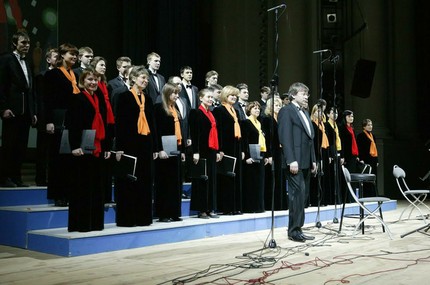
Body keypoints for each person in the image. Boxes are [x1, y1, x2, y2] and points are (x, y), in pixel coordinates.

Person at [66, 68, 112, 232]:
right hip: (82, 147)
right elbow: (72, 125)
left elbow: (105, 124)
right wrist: (75, 146)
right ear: (82, 81)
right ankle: (81, 224)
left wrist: (106, 147)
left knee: (96, 186)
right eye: (89, 80)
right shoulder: (77, 98)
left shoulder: (99, 97)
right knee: (82, 186)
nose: (93, 83)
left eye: (95, 80)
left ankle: (95, 223)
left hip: (97, 146)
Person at [114, 66, 156, 227]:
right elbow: (121, 124)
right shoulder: (124, 97)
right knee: (129, 181)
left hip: (145, 144)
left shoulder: (149, 99)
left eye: (146, 78)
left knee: (145, 181)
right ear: (133, 78)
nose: (145, 81)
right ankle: (128, 218)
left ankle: (143, 217)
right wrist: (119, 147)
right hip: (129, 144)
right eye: (142, 78)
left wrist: (155, 148)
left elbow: (153, 125)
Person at [278, 82, 316, 243]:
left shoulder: (305, 112)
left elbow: (310, 139)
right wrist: (291, 159)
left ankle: (298, 228)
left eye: (307, 94)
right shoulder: (286, 111)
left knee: (303, 195)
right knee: (297, 195)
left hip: (306, 160)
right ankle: (293, 231)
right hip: (294, 161)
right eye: (303, 94)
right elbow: (285, 137)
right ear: (293, 95)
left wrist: (313, 159)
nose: (307, 96)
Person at [44, 43, 79, 206]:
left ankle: (69, 192)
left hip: (73, 119)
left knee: (69, 158)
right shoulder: (53, 75)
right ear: (62, 55)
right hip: (58, 119)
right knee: (58, 158)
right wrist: (49, 120)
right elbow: (47, 99)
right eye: (71, 54)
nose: (74, 57)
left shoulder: (75, 75)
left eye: (76, 54)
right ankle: (58, 194)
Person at [0, 30, 36, 187]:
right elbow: (1, 85)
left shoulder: (26, 62)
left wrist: (33, 111)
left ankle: (16, 177)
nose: (27, 46)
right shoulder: (6, 59)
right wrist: (3, 108)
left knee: (21, 146)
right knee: (9, 145)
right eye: (23, 42)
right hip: (12, 110)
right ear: (15, 43)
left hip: (25, 111)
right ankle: (4, 177)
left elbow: (29, 89)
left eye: (28, 43)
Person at [153, 83, 185, 222]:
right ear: (167, 94)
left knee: (175, 182)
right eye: (174, 93)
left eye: (177, 93)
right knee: (164, 182)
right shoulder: (159, 108)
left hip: (175, 148)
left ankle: (174, 212)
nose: (177, 96)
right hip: (164, 149)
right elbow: (157, 130)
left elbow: (179, 130)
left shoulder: (175, 108)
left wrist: (182, 150)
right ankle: (163, 213)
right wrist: (159, 149)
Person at [188, 88, 221, 218]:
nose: (211, 99)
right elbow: (195, 134)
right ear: (201, 98)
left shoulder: (211, 114)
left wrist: (217, 150)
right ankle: (201, 209)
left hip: (211, 150)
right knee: (201, 179)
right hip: (201, 151)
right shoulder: (196, 113)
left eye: (212, 97)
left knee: (210, 179)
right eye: (208, 97)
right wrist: (195, 151)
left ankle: (209, 208)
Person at [212, 85, 243, 215]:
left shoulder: (234, 110)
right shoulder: (219, 110)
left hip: (235, 146)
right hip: (225, 147)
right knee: (226, 177)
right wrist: (219, 149)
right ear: (225, 96)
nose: (234, 97)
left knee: (234, 177)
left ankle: (235, 206)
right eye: (232, 95)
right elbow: (218, 131)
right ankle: (226, 207)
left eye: (235, 96)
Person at [90, 56, 115, 203]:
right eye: (101, 65)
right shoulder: (94, 84)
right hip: (99, 122)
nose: (104, 67)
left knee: (107, 160)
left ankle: (106, 195)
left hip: (108, 121)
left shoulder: (104, 83)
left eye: (105, 65)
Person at [34, 48, 58, 186]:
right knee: (43, 151)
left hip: (58, 119)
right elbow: (41, 100)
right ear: (48, 60)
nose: (58, 59)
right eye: (55, 57)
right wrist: (45, 121)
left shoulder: (62, 76)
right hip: (45, 119)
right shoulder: (42, 76)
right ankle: (41, 179)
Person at [261, 97, 287, 211]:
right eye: (276, 105)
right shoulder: (267, 119)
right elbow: (268, 139)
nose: (278, 107)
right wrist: (268, 154)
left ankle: (280, 203)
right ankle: (272, 204)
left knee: (280, 176)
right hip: (273, 151)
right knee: (273, 177)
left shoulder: (280, 118)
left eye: (279, 105)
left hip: (280, 150)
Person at [241, 101, 268, 213]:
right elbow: (245, 140)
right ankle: (250, 207)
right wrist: (247, 156)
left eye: (258, 108)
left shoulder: (259, 123)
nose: (257, 110)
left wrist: (265, 155)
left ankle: (258, 206)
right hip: (251, 155)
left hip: (259, 153)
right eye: (254, 108)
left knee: (259, 182)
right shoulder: (246, 122)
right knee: (251, 182)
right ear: (249, 110)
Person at [309, 103, 330, 207]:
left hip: (324, 151)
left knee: (323, 176)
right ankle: (314, 200)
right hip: (317, 152)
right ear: (313, 112)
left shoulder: (322, 124)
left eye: (321, 111)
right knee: (315, 177)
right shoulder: (312, 124)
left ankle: (323, 199)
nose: (320, 113)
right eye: (317, 111)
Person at [325, 107, 344, 205]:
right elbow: (328, 141)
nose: (335, 115)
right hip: (331, 152)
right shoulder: (327, 125)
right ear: (328, 114)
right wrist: (329, 154)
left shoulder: (337, 125)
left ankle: (338, 199)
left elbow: (340, 140)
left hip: (337, 151)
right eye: (333, 113)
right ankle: (332, 199)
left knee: (338, 176)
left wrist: (341, 155)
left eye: (336, 113)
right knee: (332, 175)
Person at [356, 118, 378, 196]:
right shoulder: (360, 136)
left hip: (373, 159)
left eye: (371, 125)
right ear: (364, 126)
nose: (370, 126)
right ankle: (367, 194)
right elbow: (360, 148)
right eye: (368, 125)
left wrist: (377, 160)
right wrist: (361, 158)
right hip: (365, 159)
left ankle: (373, 194)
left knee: (373, 177)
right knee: (366, 177)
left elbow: (375, 149)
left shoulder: (373, 136)